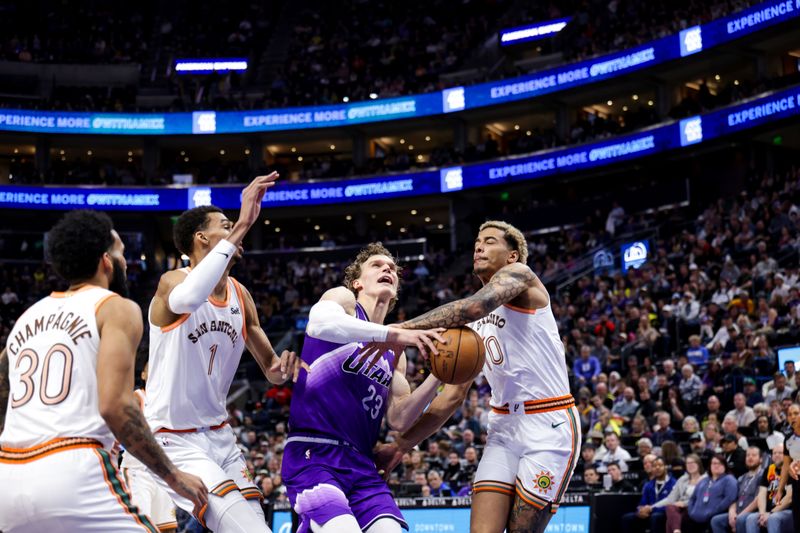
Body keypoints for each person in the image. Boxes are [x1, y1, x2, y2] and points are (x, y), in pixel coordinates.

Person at [0, 210, 206, 532]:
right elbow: (116, 407)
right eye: (122, 254)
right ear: (106, 261)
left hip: (9, 476)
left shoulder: (27, 317)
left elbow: (3, 398)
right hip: (74, 468)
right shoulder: (116, 307)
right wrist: (173, 476)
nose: (126, 262)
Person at [377, 220, 579, 533]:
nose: (479, 247)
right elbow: (452, 398)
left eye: (489, 241)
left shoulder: (522, 277)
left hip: (549, 423)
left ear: (512, 256)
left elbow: (472, 307)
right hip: (502, 427)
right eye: (476, 243)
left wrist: (395, 332)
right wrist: (401, 446)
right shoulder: (473, 328)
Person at [145, 173, 304, 533]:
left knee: (252, 523)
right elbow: (188, 298)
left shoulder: (240, 294)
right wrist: (245, 222)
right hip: (173, 436)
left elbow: (271, 370)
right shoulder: (173, 280)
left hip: (220, 435)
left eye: (235, 225)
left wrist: (286, 368)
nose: (236, 231)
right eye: (225, 226)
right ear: (201, 238)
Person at [281, 242, 449, 533]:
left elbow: (399, 419)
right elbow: (320, 323)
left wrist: (441, 373)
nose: (387, 269)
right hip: (314, 454)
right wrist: (394, 333)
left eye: (393, 269)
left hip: (362, 464)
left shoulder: (394, 354)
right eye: (377, 265)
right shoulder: (344, 300)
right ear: (357, 281)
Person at [121, 363, 178, 532]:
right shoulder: (137, 396)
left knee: (168, 529)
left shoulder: (169, 404)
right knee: (138, 527)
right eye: (150, 368)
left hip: (163, 474)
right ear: (143, 375)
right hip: (138, 471)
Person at [709, 447, 762, 533]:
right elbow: (733, 499)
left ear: (761, 459)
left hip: (752, 513)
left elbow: (758, 500)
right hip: (737, 512)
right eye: (748, 455)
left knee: (741, 520)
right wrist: (732, 514)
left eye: (754, 455)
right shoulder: (741, 478)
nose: (750, 457)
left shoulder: (763, 475)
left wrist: (739, 516)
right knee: (716, 520)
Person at [684, 454, 738, 533]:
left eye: (720, 463)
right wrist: (691, 512)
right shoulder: (703, 480)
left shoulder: (729, 479)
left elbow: (730, 498)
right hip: (695, 516)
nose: (716, 466)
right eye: (714, 463)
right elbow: (692, 498)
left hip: (713, 516)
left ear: (725, 466)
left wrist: (713, 512)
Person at [620, 457, 676, 533]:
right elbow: (643, 502)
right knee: (627, 518)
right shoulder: (648, 485)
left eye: (660, 465)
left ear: (665, 467)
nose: (657, 468)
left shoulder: (673, 483)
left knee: (655, 516)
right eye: (654, 466)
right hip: (650, 513)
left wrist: (651, 509)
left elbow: (671, 504)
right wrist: (640, 510)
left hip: (665, 514)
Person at [746, 445, 793, 533]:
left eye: (780, 453)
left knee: (773, 518)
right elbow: (762, 494)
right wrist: (762, 513)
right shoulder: (769, 469)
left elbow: (789, 497)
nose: (776, 455)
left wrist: (771, 513)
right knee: (751, 518)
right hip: (769, 511)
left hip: (787, 510)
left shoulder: (791, 469)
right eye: (774, 453)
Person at [661, 454, 706, 533]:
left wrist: (685, 503)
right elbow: (672, 497)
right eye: (688, 463)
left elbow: (702, 498)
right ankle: (676, 531)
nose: (690, 465)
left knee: (672, 519)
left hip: (695, 507)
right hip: (679, 507)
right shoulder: (683, 479)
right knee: (670, 508)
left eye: (692, 463)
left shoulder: (705, 479)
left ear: (699, 464)